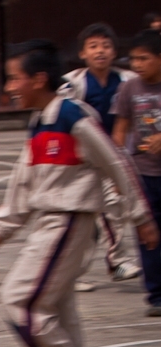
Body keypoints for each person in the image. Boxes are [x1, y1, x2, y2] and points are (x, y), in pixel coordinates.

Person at [0, 40, 157, 347]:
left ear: (39, 79)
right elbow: (23, 184)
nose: (10, 87)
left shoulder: (73, 116)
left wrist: (140, 217)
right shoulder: (40, 121)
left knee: (18, 302)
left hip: (71, 220)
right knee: (56, 309)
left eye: (14, 78)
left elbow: (117, 163)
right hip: (49, 221)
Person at [60, 23, 141, 291]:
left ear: (115, 51)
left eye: (105, 46)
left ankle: (116, 261)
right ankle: (73, 273)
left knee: (115, 207)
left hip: (115, 153)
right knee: (83, 218)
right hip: (82, 158)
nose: (100, 51)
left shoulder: (128, 80)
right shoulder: (73, 83)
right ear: (83, 53)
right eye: (93, 46)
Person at [113, 30, 161, 317]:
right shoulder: (130, 88)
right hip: (143, 173)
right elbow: (120, 129)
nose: (138, 64)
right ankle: (156, 294)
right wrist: (117, 164)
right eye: (133, 59)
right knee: (148, 235)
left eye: (144, 58)